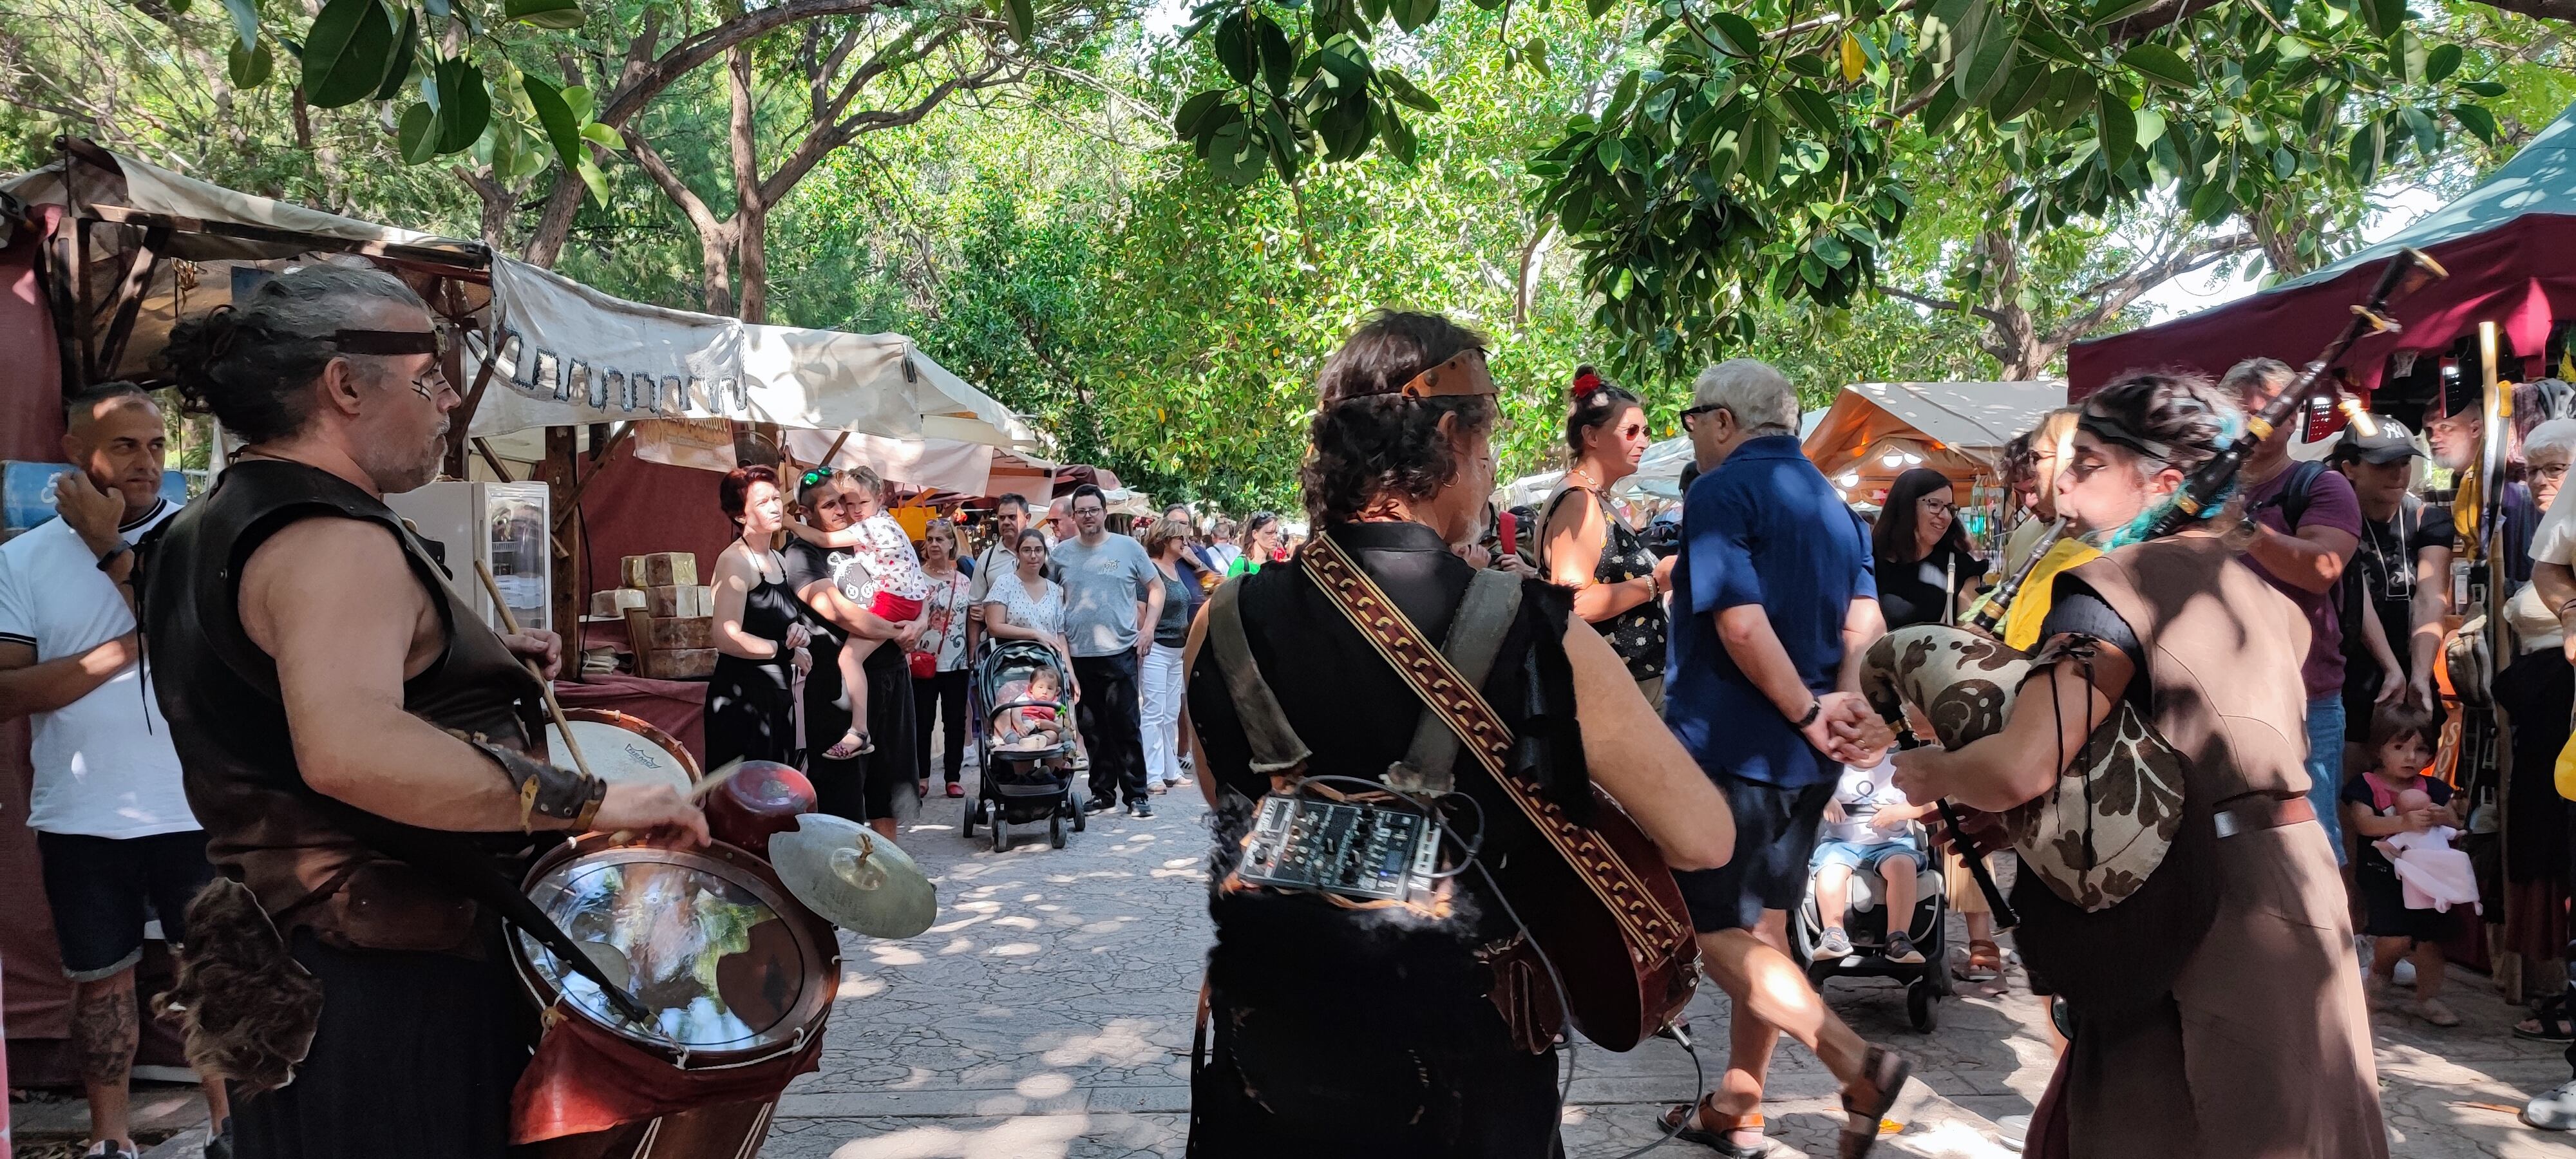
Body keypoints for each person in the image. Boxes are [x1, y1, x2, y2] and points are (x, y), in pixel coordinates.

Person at [137, 265, 704, 1158]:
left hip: (299, 969)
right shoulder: (332, 538)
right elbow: (351, 748)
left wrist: (473, 673)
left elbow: (275, 703)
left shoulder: (204, 525)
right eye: (430, 378)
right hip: (382, 983)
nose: (447, 403)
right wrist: (593, 801)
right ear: (345, 384)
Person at [1180, 310, 1736, 1158]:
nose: (1487, 474)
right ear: (1446, 437)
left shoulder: (1219, 622)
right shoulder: (1540, 634)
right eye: (1487, 448)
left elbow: (1229, 796)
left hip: (1270, 1070)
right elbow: (1703, 837)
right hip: (1467, 1091)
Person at [1891, 370, 2383, 1158]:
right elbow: (2157, 760)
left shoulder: (2114, 585)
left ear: (2163, 481)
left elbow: (2024, 762)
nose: (2067, 485)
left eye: (2087, 464)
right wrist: (2021, 823)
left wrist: (1936, 772)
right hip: (2291, 892)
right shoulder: (2255, 588)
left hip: (2199, 916)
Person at [1657, 357, 1910, 1158]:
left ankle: (1853, 1061)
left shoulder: (1720, 490)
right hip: (1808, 760)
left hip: (1731, 747)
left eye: (1693, 418)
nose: (1691, 433)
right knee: (1763, 931)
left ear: (1724, 421)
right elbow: (1863, 620)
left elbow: (1738, 624)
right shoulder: (1836, 509)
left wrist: (1809, 713)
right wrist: (1839, 707)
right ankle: (1740, 1099)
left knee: (1704, 928)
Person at [0, 382, 232, 1159]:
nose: (147, 462)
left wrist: (109, 550)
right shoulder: (23, 560)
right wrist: (130, 649)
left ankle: (231, 1130)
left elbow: (205, 644)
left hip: (196, 807)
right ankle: (111, 1143)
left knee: (217, 975)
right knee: (100, 982)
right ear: (73, 452)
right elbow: (8, 693)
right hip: (81, 813)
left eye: (157, 444)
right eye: (124, 445)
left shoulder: (197, 535)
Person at [2221, 358, 2363, 863]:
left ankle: (2330, 942)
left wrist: (2244, 529)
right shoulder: (2200, 491)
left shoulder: (2321, 486)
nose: (2256, 424)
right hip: (2219, 696)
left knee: (2313, 843)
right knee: (2230, 844)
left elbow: (2321, 569)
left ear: (2293, 419)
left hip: (2305, 697)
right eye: (2243, 413)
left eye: (2270, 412)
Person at [783, 468, 922, 842]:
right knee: (842, 791)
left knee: (889, 785)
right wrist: (900, 632)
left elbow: (910, 582)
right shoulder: (802, 552)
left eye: (845, 501)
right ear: (805, 514)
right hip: (837, 689)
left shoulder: (866, 533)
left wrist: (919, 622)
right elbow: (839, 612)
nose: (843, 510)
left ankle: (890, 871)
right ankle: (847, 883)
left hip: (891, 675)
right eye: (830, 505)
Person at [1539, 366, 1673, 706]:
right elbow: (1575, 603)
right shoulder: (1579, 502)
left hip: (1630, 687)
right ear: (1592, 437)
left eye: (1646, 431)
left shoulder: (1591, 497)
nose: (1643, 441)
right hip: (1620, 694)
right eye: (1631, 431)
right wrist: (1655, 583)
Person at [2342, 704, 2461, 1026]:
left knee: (2429, 940)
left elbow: (2454, 820)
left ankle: (2429, 997)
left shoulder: (2434, 788)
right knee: (2394, 936)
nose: (2410, 757)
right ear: (2378, 750)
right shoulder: (2364, 786)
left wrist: (2443, 816)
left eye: (2420, 749)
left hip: (2427, 878)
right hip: (2384, 877)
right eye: (2399, 747)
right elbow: (2364, 825)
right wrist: (2404, 823)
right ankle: (2380, 972)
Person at [1054, 484, 1164, 818]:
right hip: (1079, 655)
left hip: (1120, 651)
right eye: (1082, 511)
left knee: (1125, 724)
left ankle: (1137, 795)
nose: (1088, 516)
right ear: (1074, 517)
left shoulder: (1128, 548)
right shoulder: (1060, 555)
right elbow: (1046, 596)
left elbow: (1156, 587)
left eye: (1093, 510)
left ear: (1104, 512)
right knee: (1091, 728)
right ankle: (1102, 793)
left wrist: (1148, 630)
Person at [707, 464, 815, 768]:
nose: (774, 508)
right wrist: (786, 651)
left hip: (777, 697)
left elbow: (779, 622)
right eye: (762, 502)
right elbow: (726, 637)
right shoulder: (735, 561)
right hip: (743, 700)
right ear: (741, 515)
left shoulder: (779, 560)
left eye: (775, 499)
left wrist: (799, 634)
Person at [2331, 418, 2431, 744]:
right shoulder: (2328, 516)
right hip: (2348, 670)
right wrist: (2390, 668)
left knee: (2411, 784)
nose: (2398, 473)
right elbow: (2355, 593)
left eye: (2404, 462)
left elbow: (2430, 599)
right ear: (2350, 468)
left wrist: (2420, 674)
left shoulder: (2426, 518)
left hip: (2413, 666)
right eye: (2383, 464)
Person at [1808, 753, 1931, 964]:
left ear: (1892, 741)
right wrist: (1824, 799)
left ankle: (1898, 936)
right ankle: (1834, 933)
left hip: (1891, 843)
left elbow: (1931, 805)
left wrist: (1900, 811)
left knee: (1902, 866)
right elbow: (1805, 792)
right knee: (1830, 870)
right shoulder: (1833, 767)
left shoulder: (1900, 768)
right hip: (1841, 842)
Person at [1871, 467, 1985, 630]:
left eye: (1950, 508)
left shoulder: (1961, 567)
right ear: (1907, 505)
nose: (1945, 516)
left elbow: (1972, 636)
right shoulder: (1870, 560)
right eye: (1934, 505)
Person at [913, 518, 976, 798]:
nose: (934, 544)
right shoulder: (916, 577)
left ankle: (953, 776)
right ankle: (922, 776)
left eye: (940, 539)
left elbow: (972, 618)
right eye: (931, 539)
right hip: (923, 659)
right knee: (923, 721)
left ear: (952, 544)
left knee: (955, 721)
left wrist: (973, 649)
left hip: (957, 660)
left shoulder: (964, 581)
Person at [1140, 517, 1197, 794]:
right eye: (1180, 540)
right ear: (1164, 541)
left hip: (1178, 650)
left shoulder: (1175, 569)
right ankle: (1152, 773)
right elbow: (1141, 610)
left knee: (1171, 711)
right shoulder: (1151, 570)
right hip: (1157, 648)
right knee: (1154, 710)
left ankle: (1169, 769)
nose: (1185, 544)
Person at [965, 493, 1040, 657]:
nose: (1006, 522)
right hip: (997, 653)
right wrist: (973, 653)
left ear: (1027, 518)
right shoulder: (987, 558)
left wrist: (994, 617)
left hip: (1038, 650)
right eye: (1002, 518)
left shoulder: (1042, 558)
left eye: (1012, 517)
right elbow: (975, 610)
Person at [1227, 513, 1282, 577]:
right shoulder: (1240, 565)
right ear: (1255, 534)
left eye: (1276, 533)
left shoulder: (1274, 567)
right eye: (1269, 533)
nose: (1275, 537)